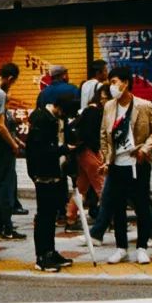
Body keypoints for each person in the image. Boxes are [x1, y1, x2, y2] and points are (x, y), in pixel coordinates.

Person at [100, 66, 152, 265]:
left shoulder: (144, 106)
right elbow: (104, 134)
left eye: (114, 82)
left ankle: (142, 248)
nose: (112, 86)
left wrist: (146, 148)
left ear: (126, 83)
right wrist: (105, 158)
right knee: (117, 206)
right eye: (110, 82)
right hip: (117, 164)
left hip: (138, 163)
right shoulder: (109, 106)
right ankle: (121, 248)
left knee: (142, 206)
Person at [27, 93, 76, 272]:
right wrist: (62, 149)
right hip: (44, 173)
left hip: (58, 172)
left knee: (53, 214)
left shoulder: (58, 119)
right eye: (64, 112)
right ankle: (42, 256)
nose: (64, 116)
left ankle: (51, 251)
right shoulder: (41, 118)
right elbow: (38, 149)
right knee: (44, 215)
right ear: (58, 106)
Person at [0, 63, 26, 240]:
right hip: (1, 148)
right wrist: (14, 145)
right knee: (6, 187)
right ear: (10, 79)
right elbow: (0, 125)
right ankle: (7, 227)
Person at [65, 85, 109, 232]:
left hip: (81, 151)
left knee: (82, 187)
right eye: (104, 97)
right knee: (102, 185)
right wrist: (99, 152)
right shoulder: (94, 111)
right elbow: (91, 135)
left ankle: (70, 218)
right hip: (88, 151)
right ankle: (111, 219)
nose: (105, 100)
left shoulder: (89, 110)